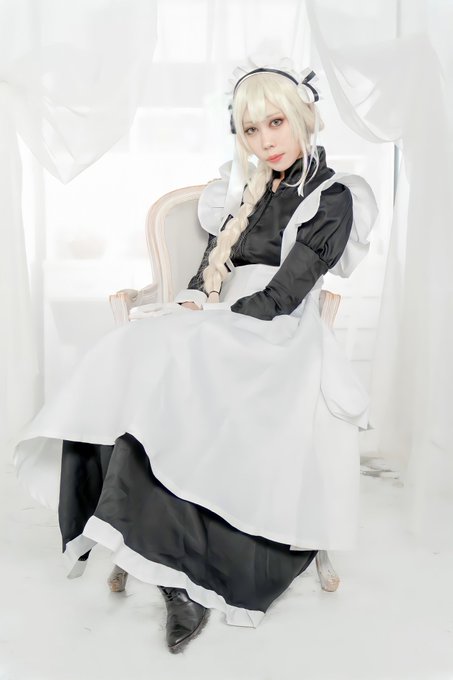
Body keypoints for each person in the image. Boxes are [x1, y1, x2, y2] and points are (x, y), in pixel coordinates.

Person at [14, 58, 378, 654]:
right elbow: (209, 269)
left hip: (278, 329)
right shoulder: (241, 191)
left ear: (303, 117)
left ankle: (184, 568)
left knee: (187, 353)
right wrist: (194, 302)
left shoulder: (333, 196)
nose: (266, 141)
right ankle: (155, 555)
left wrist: (216, 321)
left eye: (276, 123)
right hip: (222, 315)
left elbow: (287, 291)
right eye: (251, 130)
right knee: (132, 346)